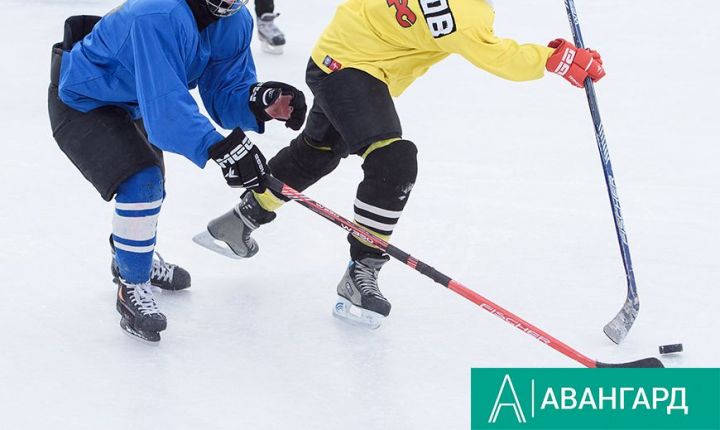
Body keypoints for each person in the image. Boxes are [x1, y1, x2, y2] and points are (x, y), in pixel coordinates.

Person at [196, 0, 605, 329]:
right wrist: (554, 60)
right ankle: (363, 269)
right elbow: (496, 56)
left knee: (317, 153)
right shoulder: (465, 14)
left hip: (338, 55)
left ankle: (240, 219)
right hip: (351, 67)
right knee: (393, 160)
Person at [47, 0, 307, 342]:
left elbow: (224, 92)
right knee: (141, 183)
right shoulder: (156, 13)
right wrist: (221, 149)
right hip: (84, 101)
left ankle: (129, 257)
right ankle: (132, 285)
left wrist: (259, 101)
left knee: (152, 187)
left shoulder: (234, 20)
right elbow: (167, 109)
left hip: (134, 100)